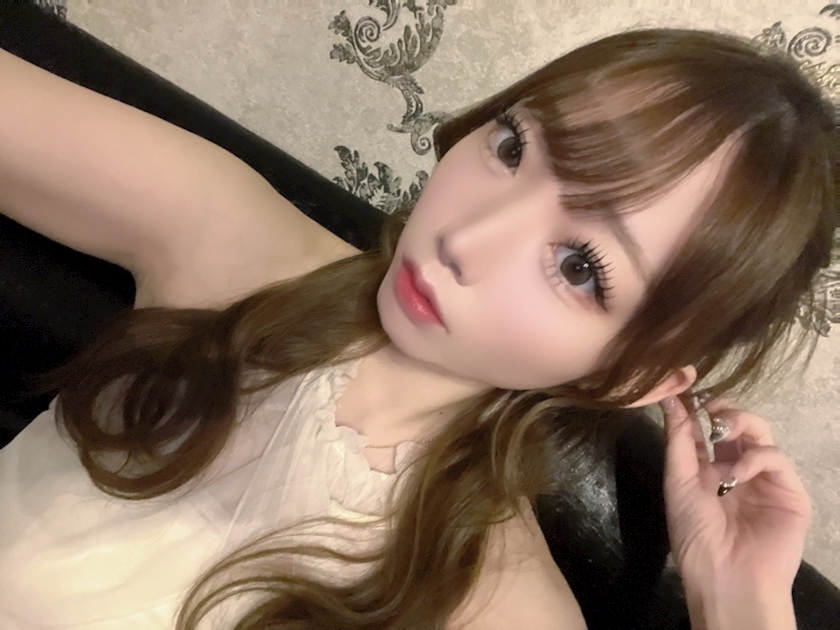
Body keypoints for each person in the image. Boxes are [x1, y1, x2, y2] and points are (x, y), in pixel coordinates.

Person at [0, 26, 834, 630]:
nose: (463, 238)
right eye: (513, 147)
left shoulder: (495, 605)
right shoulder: (229, 239)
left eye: (581, 265)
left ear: (629, 377)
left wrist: (740, 604)